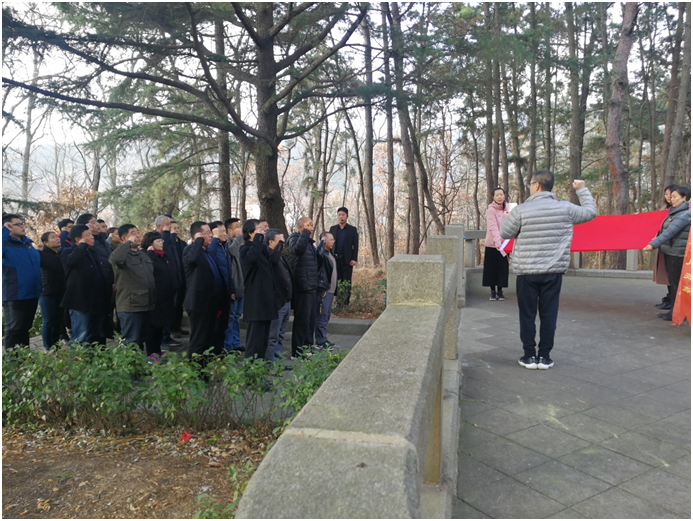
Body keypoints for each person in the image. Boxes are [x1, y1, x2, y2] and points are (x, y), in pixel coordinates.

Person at [500, 171, 597, 370]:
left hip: (527, 272)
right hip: (553, 271)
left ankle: (529, 356)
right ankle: (544, 357)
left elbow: (505, 233)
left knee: (527, 315)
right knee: (549, 314)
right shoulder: (565, 208)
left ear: (536, 185)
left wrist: (507, 218)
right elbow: (590, 212)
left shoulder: (521, 210)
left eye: (530, 184)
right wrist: (582, 190)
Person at [183, 221, 229, 360]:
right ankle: (193, 368)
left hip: (212, 302)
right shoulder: (190, 250)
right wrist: (198, 241)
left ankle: (203, 366)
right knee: (199, 339)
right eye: (208, 233)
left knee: (208, 339)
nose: (211, 235)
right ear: (198, 235)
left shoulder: (207, 252)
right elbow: (191, 259)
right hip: (199, 303)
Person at [644, 186, 691, 322]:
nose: (671, 199)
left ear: (684, 198)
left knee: (677, 284)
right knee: (674, 284)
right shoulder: (675, 213)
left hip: (677, 254)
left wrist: (653, 245)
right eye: (671, 196)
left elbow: (670, 232)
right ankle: (677, 311)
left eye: (675, 197)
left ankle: (678, 312)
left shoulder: (684, 215)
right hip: (671, 251)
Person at [61, 224, 109, 346]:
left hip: (96, 300)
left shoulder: (92, 252)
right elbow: (71, 261)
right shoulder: (67, 252)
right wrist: (82, 246)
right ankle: (79, 358)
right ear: (78, 239)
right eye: (88, 235)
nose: (92, 237)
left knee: (95, 334)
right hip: (80, 301)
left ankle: (92, 357)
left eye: (91, 234)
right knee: (81, 335)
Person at [109, 224, 155, 349]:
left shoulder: (142, 255)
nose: (137, 235)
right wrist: (128, 244)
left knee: (141, 339)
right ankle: (128, 362)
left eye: (138, 232)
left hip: (146, 303)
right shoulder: (122, 255)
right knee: (130, 341)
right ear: (124, 238)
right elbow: (114, 259)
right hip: (130, 306)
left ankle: (138, 362)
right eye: (133, 233)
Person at [2, 214, 42, 350]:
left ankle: (24, 357)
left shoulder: (28, 245)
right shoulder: (5, 244)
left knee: (25, 328)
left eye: (22, 223)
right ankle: (13, 360)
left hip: (32, 293)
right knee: (14, 329)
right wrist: (4, 231)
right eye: (17, 224)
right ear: (8, 226)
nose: (22, 226)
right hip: (15, 294)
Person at [239, 219, 277, 360]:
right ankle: (251, 368)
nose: (263, 232)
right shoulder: (245, 249)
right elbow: (251, 259)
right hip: (255, 300)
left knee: (263, 339)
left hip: (266, 299)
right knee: (255, 340)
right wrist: (258, 239)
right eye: (259, 230)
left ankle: (260, 367)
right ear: (250, 233)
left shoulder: (261, 248)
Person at [76, 213, 115, 343]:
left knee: (103, 320)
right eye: (92, 222)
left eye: (96, 222)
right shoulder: (87, 243)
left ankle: (101, 348)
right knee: (90, 325)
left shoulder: (103, 239)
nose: (97, 225)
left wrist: (112, 280)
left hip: (106, 284)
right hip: (92, 288)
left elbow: (109, 262)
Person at [141, 231, 176, 360]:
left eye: (162, 240)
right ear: (150, 243)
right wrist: (150, 254)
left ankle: (157, 349)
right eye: (158, 241)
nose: (161, 243)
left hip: (165, 295)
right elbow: (146, 271)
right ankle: (151, 352)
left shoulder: (163, 255)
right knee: (153, 326)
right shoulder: (146, 255)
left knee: (161, 324)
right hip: (154, 296)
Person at [287, 216, 318, 357]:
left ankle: (307, 346)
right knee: (302, 320)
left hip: (311, 285)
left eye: (312, 225)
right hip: (302, 285)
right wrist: (305, 234)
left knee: (310, 319)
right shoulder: (294, 238)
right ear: (300, 227)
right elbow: (297, 250)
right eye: (308, 225)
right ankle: (297, 351)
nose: (311, 228)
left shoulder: (309, 243)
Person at [266, 228, 292, 363]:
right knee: (273, 336)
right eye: (280, 241)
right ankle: (270, 362)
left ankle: (277, 360)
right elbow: (273, 261)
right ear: (271, 242)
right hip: (277, 302)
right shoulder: (270, 256)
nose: (283, 243)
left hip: (286, 300)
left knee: (281, 334)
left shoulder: (280, 255)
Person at [38, 231, 68, 351]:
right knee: (49, 320)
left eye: (57, 237)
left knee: (58, 320)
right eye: (53, 237)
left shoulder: (60, 254)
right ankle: (48, 347)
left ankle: (55, 345)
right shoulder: (41, 254)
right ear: (45, 242)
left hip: (60, 291)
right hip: (47, 292)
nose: (57, 239)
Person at [653, 184, 679, 310]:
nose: (669, 197)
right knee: (668, 275)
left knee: (674, 277)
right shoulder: (664, 209)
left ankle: (675, 302)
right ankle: (670, 298)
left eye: (672, 194)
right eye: (666, 194)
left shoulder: (682, 211)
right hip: (664, 246)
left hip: (675, 248)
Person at [483, 187, 510, 301]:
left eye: (501, 194)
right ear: (493, 197)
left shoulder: (508, 208)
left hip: (505, 244)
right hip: (492, 244)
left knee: (503, 268)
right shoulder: (491, 210)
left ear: (504, 195)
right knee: (491, 268)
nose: (499, 197)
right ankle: (493, 291)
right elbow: (493, 227)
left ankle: (500, 290)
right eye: (497, 195)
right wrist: (498, 243)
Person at [329, 207, 358, 308]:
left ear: (347, 216)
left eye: (343, 215)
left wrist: (354, 259)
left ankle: (346, 302)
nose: (341, 217)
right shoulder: (333, 229)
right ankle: (338, 302)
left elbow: (355, 245)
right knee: (337, 280)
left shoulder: (352, 230)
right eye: (339, 215)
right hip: (335, 259)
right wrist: (330, 256)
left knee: (347, 281)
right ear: (337, 216)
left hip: (347, 260)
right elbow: (329, 244)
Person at [224, 218, 245, 352]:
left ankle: (236, 342)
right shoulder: (227, 241)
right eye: (237, 226)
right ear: (229, 230)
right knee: (230, 317)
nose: (240, 228)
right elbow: (231, 252)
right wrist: (237, 238)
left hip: (241, 285)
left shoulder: (241, 242)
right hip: (233, 285)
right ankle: (228, 345)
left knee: (237, 316)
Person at [315, 231, 337, 351]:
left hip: (331, 290)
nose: (333, 242)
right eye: (331, 239)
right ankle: (320, 341)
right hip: (324, 290)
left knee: (326, 316)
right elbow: (318, 256)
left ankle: (323, 338)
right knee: (322, 316)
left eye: (333, 239)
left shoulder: (330, 254)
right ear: (324, 240)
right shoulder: (322, 254)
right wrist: (321, 245)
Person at [168, 220, 189, 339]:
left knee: (180, 305)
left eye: (177, 228)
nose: (176, 230)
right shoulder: (168, 242)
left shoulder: (182, 243)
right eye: (173, 228)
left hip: (182, 277)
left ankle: (178, 326)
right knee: (174, 305)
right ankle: (172, 329)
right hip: (173, 279)